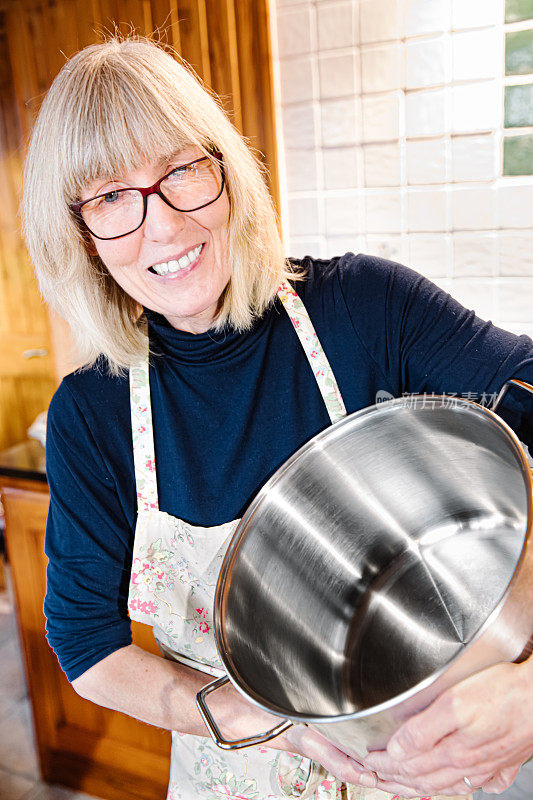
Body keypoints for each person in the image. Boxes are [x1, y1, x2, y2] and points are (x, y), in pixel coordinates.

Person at [22, 36, 533, 800]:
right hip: (228, 777)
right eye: (109, 197)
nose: (159, 226)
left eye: (180, 169)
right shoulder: (90, 416)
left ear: (224, 172)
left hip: (423, 761)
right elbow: (87, 647)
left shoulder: (364, 309)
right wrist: (276, 725)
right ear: (82, 234)